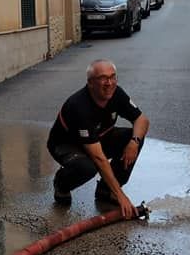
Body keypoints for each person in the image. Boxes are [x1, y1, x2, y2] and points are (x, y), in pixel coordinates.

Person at [47, 60, 149, 219]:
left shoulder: (116, 93)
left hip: (98, 138)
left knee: (134, 137)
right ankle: (61, 183)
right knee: (88, 167)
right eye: (103, 78)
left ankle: (106, 191)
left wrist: (134, 142)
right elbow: (98, 158)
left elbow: (141, 120)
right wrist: (122, 196)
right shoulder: (79, 106)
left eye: (112, 77)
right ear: (90, 83)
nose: (109, 83)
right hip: (67, 145)